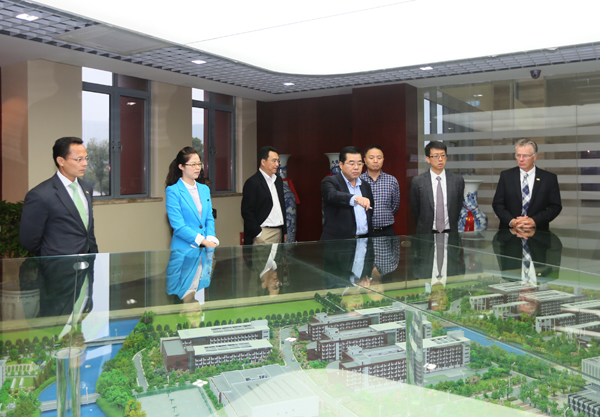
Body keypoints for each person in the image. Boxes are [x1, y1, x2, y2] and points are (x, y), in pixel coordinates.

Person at [20, 137, 98, 256]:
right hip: (58, 263)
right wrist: (51, 256)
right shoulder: (41, 194)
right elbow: (28, 239)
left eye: (86, 158)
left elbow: (86, 229)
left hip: (88, 259)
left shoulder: (86, 188)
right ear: (61, 161)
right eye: (79, 159)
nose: (85, 163)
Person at [492, 138, 562, 230]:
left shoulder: (548, 178)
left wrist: (534, 221)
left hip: (539, 233)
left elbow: (555, 207)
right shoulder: (506, 176)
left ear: (535, 157)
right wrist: (512, 221)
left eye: (525, 156)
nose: (521, 159)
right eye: (518, 155)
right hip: (509, 232)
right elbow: (497, 204)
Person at [165, 147, 219, 250]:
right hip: (183, 250)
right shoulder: (173, 191)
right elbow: (179, 226)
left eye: (199, 164)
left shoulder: (204, 189)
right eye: (193, 164)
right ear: (181, 166)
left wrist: (211, 239)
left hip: (205, 249)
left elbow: (209, 218)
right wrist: (204, 242)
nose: (198, 168)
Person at [410, 141, 464, 235]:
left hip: (450, 232)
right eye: (436, 156)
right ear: (428, 159)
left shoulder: (457, 180)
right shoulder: (418, 181)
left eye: (443, 155)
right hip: (426, 233)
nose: (440, 159)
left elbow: (458, 207)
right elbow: (416, 210)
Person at [321, 146, 374, 240]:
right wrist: (355, 198)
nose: (356, 167)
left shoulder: (365, 185)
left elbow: (370, 210)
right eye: (351, 163)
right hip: (339, 242)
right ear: (341, 165)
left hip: (364, 240)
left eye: (359, 164)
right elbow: (332, 195)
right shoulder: (330, 181)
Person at [241, 146, 287, 245]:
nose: (277, 164)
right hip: (263, 233)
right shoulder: (252, 182)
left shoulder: (278, 180)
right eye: (274, 161)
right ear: (263, 162)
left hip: (279, 231)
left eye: (278, 161)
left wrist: (284, 231)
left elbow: (282, 206)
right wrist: (258, 233)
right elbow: (247, 211)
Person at [359, 145, 400, 237]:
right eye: (371, 158)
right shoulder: (358, 180)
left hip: (386, 231)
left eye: (379, 158)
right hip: (365, 232)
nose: (375, 161)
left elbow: (395, 206)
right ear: (365, 160)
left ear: (383, 159)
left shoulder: (392, 180)